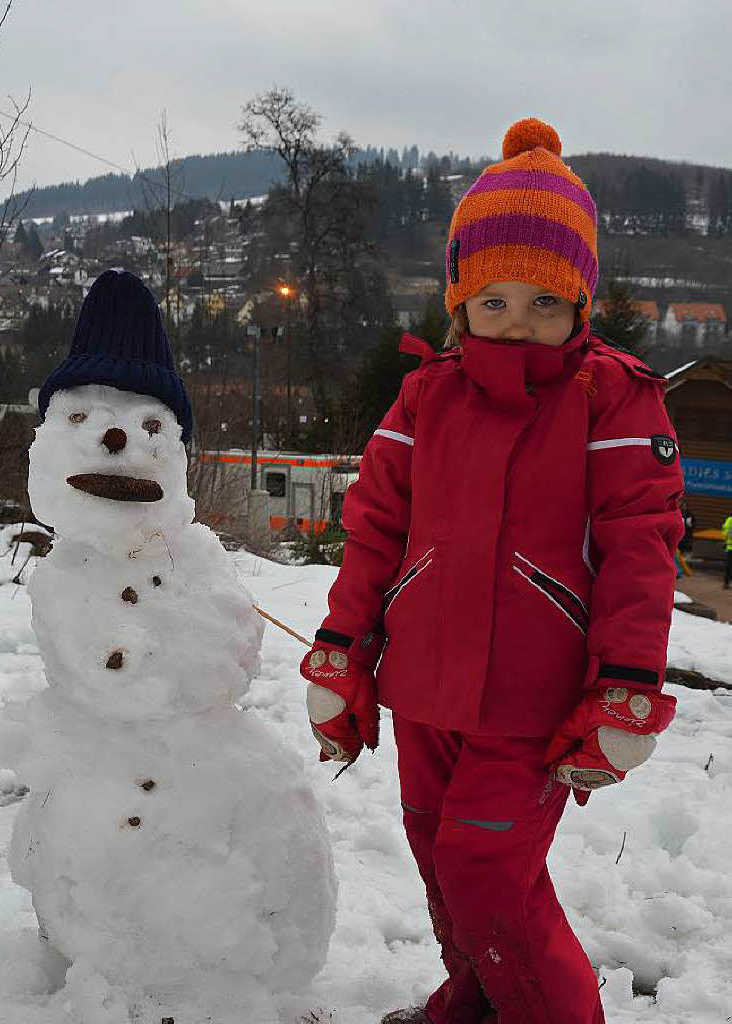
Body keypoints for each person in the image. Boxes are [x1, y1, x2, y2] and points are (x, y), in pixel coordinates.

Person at [300, 119, 684, 1024]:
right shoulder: (424, 395)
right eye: (496, 300)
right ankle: (472, 1006)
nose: (518, 322)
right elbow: (374, 529)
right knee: (443, 860)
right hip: (426, 684)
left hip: (534, 700)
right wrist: (342, 649)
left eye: (545, 302)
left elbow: (638, 545)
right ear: (460, 298)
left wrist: (626, 683)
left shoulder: (612, 397)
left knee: (485, 870)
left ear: (580, 303)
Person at [724, 513, 732, 588]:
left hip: (729, 547)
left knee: (728, 566)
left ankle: (726, 583)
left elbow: (725, 532)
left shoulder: (729, 520)